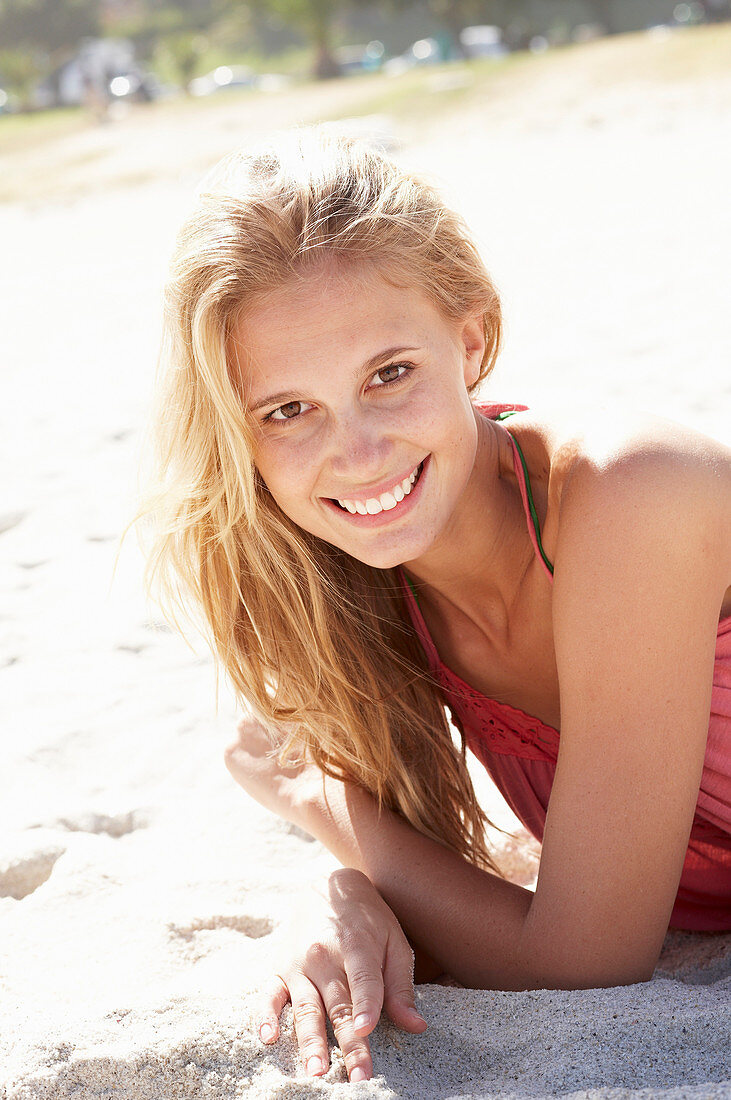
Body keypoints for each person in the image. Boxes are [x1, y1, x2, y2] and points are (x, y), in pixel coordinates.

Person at [140, 126, 731, 1085]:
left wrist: (324, 809)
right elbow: (472, 888)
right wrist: (339, 894)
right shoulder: (354, 600)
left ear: (471, 338)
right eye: (287, 409)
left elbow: (584, 964)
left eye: (389, 374)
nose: (360, 452)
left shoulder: (633, 492)